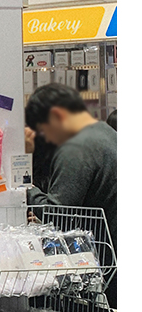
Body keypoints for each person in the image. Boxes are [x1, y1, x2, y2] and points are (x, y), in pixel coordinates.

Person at [24, 82, 117, 256]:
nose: (47, 138)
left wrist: (26, 188)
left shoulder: (76, 147)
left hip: (106, 257)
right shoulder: (104, 131)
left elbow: (58, 215)